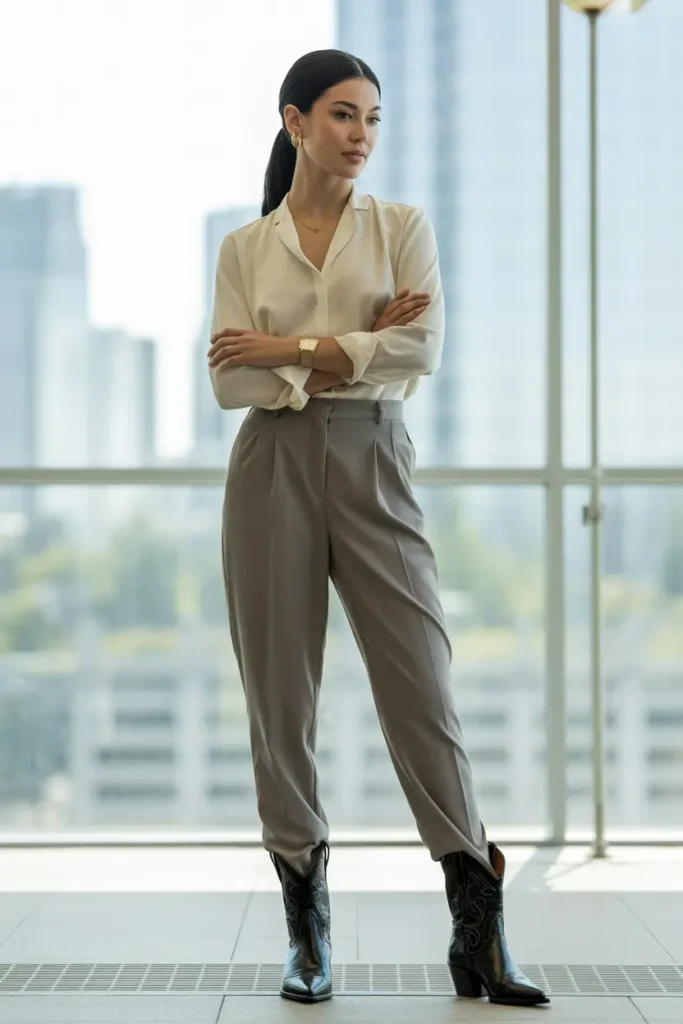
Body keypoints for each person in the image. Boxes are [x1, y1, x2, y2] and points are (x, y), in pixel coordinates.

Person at [207, 48, 549, 1010]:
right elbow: (230, 379)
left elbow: (420, 350)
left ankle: (477, 931)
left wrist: (290, 349)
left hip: (373, 460)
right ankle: (307, 931)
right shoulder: (245, 247)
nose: (360, 135)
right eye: (343, 116)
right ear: (295, 122)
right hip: (269, 468)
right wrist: (340, 354)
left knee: (420, 688)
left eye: (373, 118)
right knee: (280, 703)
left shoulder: (402, 228)